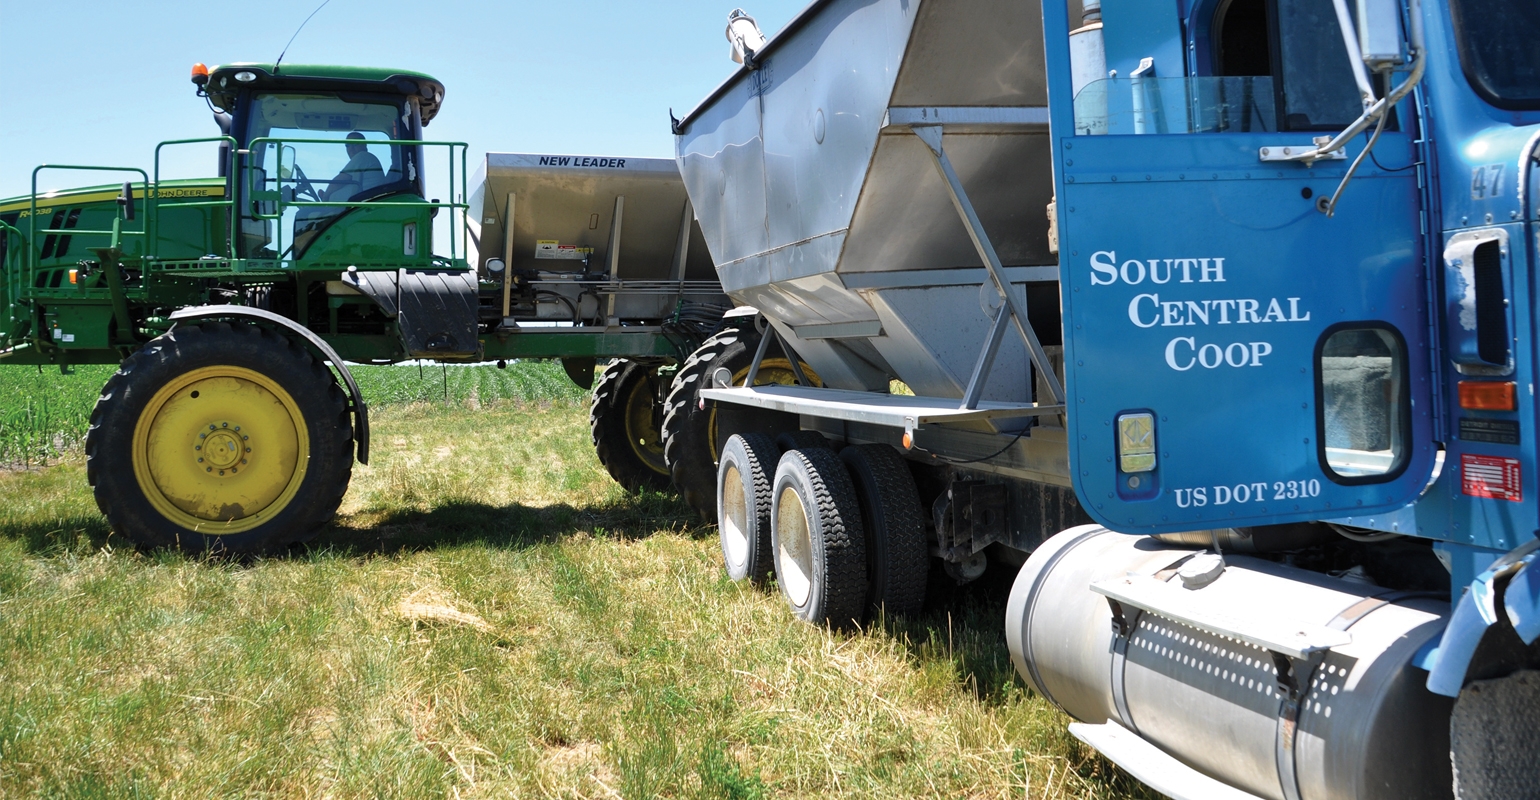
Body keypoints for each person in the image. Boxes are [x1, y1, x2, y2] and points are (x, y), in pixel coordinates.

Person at [324, 132, 385, 201]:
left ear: (364, 145)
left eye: (355, 143)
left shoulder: (362, 156)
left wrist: (325, 198)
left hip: (365, 206)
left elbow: (339, 181)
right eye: (347, 145)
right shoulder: (365, 160)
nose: (351, 148)